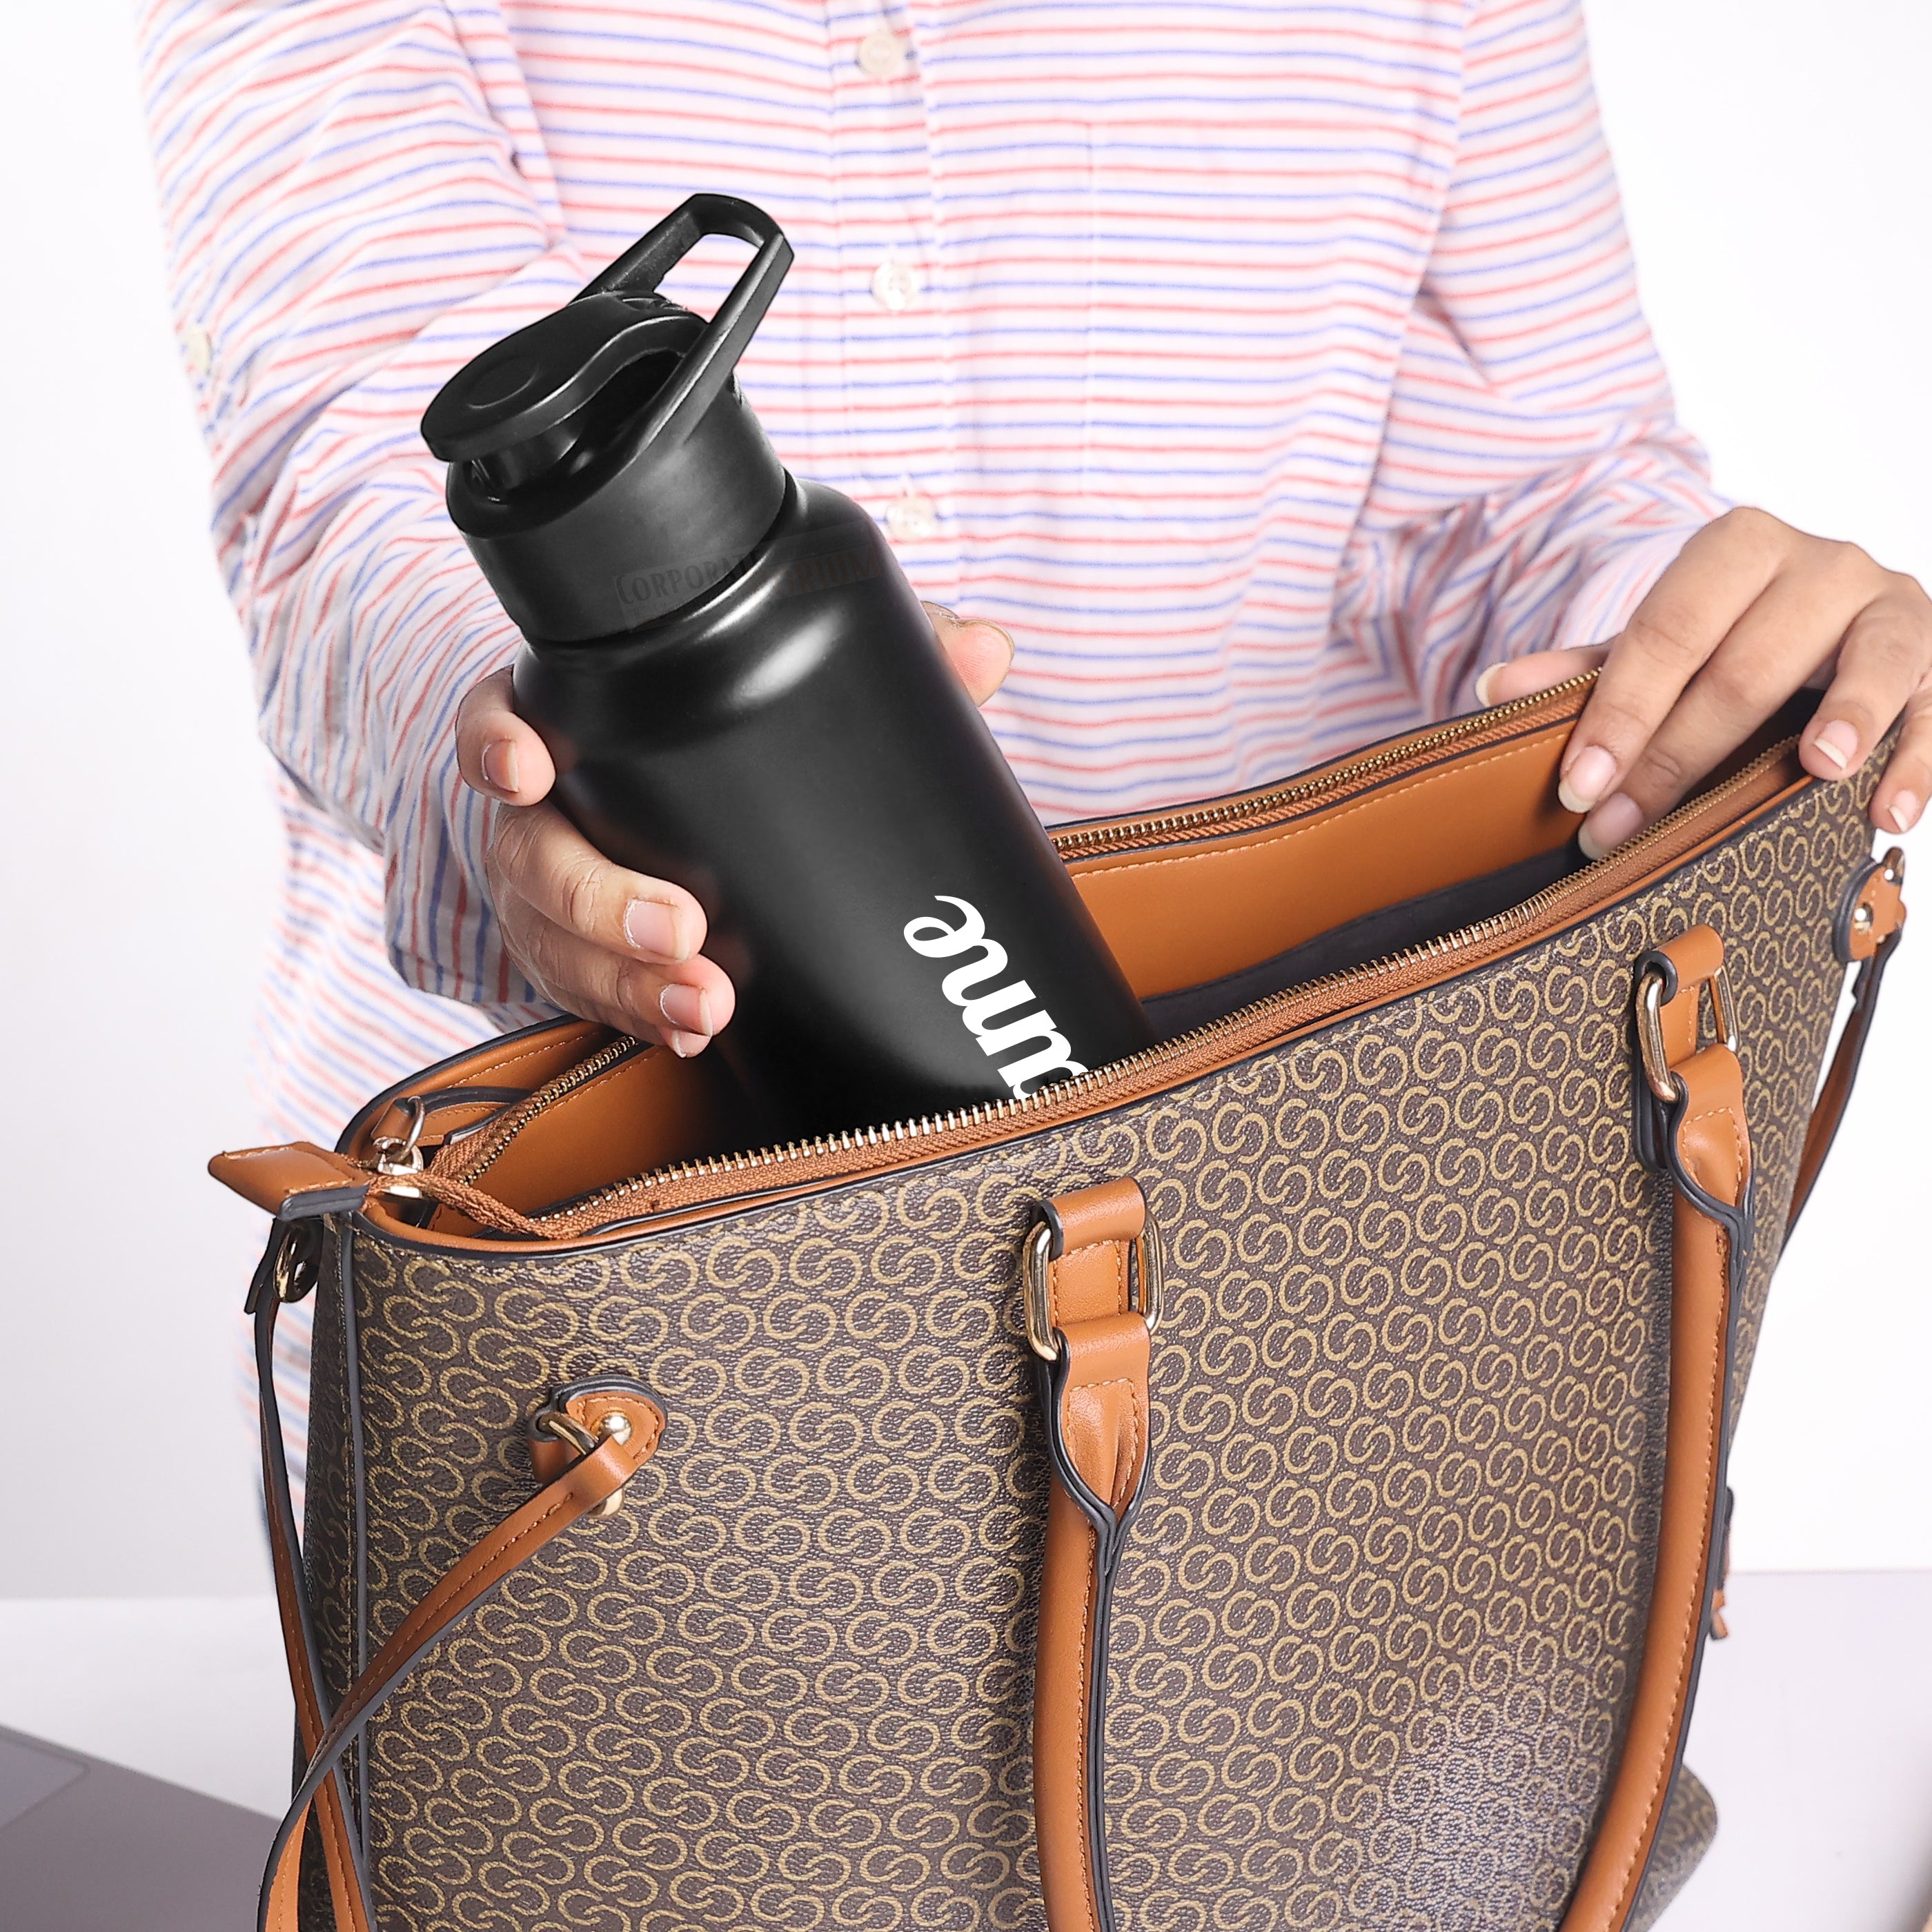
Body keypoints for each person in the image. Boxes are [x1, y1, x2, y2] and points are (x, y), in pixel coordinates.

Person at [139, 0, 1929, 1467]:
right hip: (597, 1353)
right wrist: (527, 777)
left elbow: (1527, 492)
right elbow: (350, 466)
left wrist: (1723, 655)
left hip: (1290, 1294)